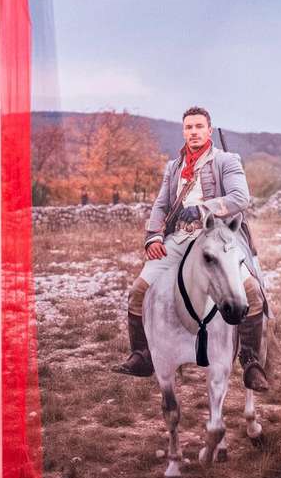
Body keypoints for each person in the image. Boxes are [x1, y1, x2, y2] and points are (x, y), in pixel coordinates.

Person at [113, 106, 272, 391]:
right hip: (179, 237)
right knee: (138, 291)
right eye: (189, 127)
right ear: (183, 131)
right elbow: (162, 205)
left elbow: (240, 197)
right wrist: (153, 237)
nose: (194, 132)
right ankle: (142, 354)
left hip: (216, 237)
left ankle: (250, 361)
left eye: (199, 127)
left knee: (252, 293)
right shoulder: (174, 167)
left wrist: (202, 209)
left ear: (209, 130)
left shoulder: (227, 160)